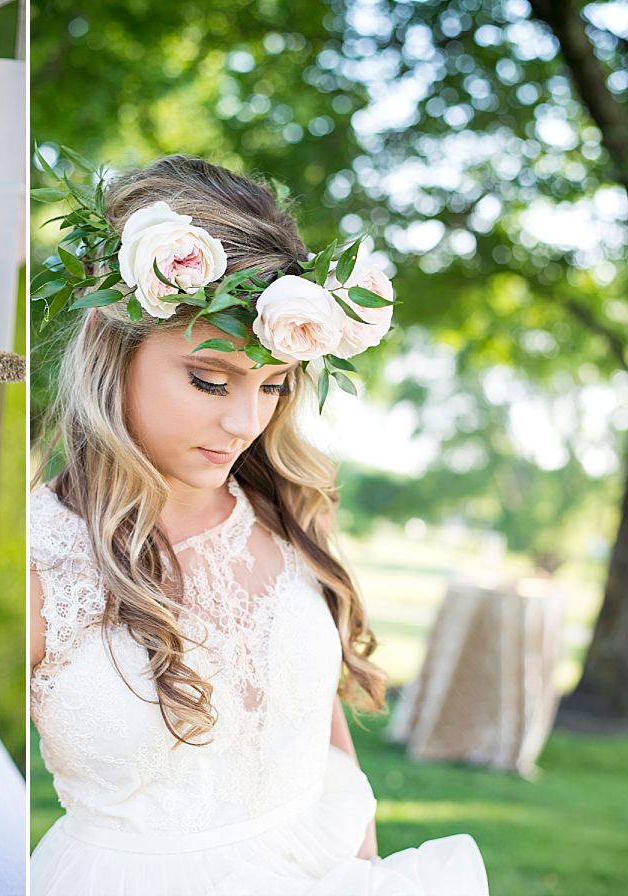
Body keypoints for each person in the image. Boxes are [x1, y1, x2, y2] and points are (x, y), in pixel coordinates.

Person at [28, 154, 489, 894]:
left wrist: (367, 869)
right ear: (113, 351)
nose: (244, 422)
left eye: (273, 384)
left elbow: (321, 733)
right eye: (209, 380)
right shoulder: (39, 562)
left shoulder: (290, 507)